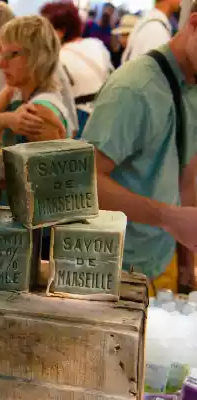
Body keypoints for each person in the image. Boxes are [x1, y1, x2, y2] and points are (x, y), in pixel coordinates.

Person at [81, 0, 197, 294]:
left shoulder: (192, 85)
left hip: (163, 261)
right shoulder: (133, 88)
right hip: (116, 272)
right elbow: (85, 183)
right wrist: (169, 218)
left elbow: (186, 175)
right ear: (193, 25)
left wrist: (186, 264)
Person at [0, 2, 78, 138]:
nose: (0, 62)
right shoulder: (15, 90)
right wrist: (7, 119)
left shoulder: (38, 113)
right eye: (3, 54)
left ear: (36, 57)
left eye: (11, 55)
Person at [41, 1, 113, 137]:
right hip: (108, 115)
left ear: (59, 32)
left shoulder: (56, 58)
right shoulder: (97, 44)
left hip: (81, 121)